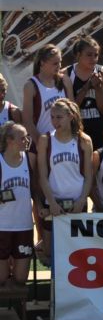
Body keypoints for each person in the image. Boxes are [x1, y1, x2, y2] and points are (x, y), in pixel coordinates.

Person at [36, 98, 93, 265]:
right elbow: (43, 176)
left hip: (77, 204)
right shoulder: (45, 139)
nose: (55, 121)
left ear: (70, 116)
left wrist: (82, 200)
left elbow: (89, 176)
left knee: (77, 252)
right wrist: (51, 203)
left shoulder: (83, 140)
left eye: (59, 117)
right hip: (53, 205)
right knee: (50, 252)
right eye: (52, 117)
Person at [0, 122, 37, 290]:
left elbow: (35, 188)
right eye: (22, 138)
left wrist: (41, 205)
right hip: (2, 226)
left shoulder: (29, 159)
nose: (27, 140)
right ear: (9, 140)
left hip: (24, 226)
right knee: (1, 278)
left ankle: (15, 309)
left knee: (21, 278)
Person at [22, 45, 74, 149]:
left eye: (60, 62)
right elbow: (27, 121)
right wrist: (41, 145)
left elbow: (74, 113)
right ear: (42, 63)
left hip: (65, 142)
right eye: (55, 63)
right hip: (42, 143)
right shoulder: (31, 85)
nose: (59, 66)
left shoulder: (65, 81)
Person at [64, 36, 103, 149]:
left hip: (100, 129)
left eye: (96, 55)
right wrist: (86, 87)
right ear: (78, 55)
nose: (93, 59)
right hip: (77, 131)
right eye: (89, 55)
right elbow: (71, 109)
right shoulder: (66, 74)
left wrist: (97, 87)